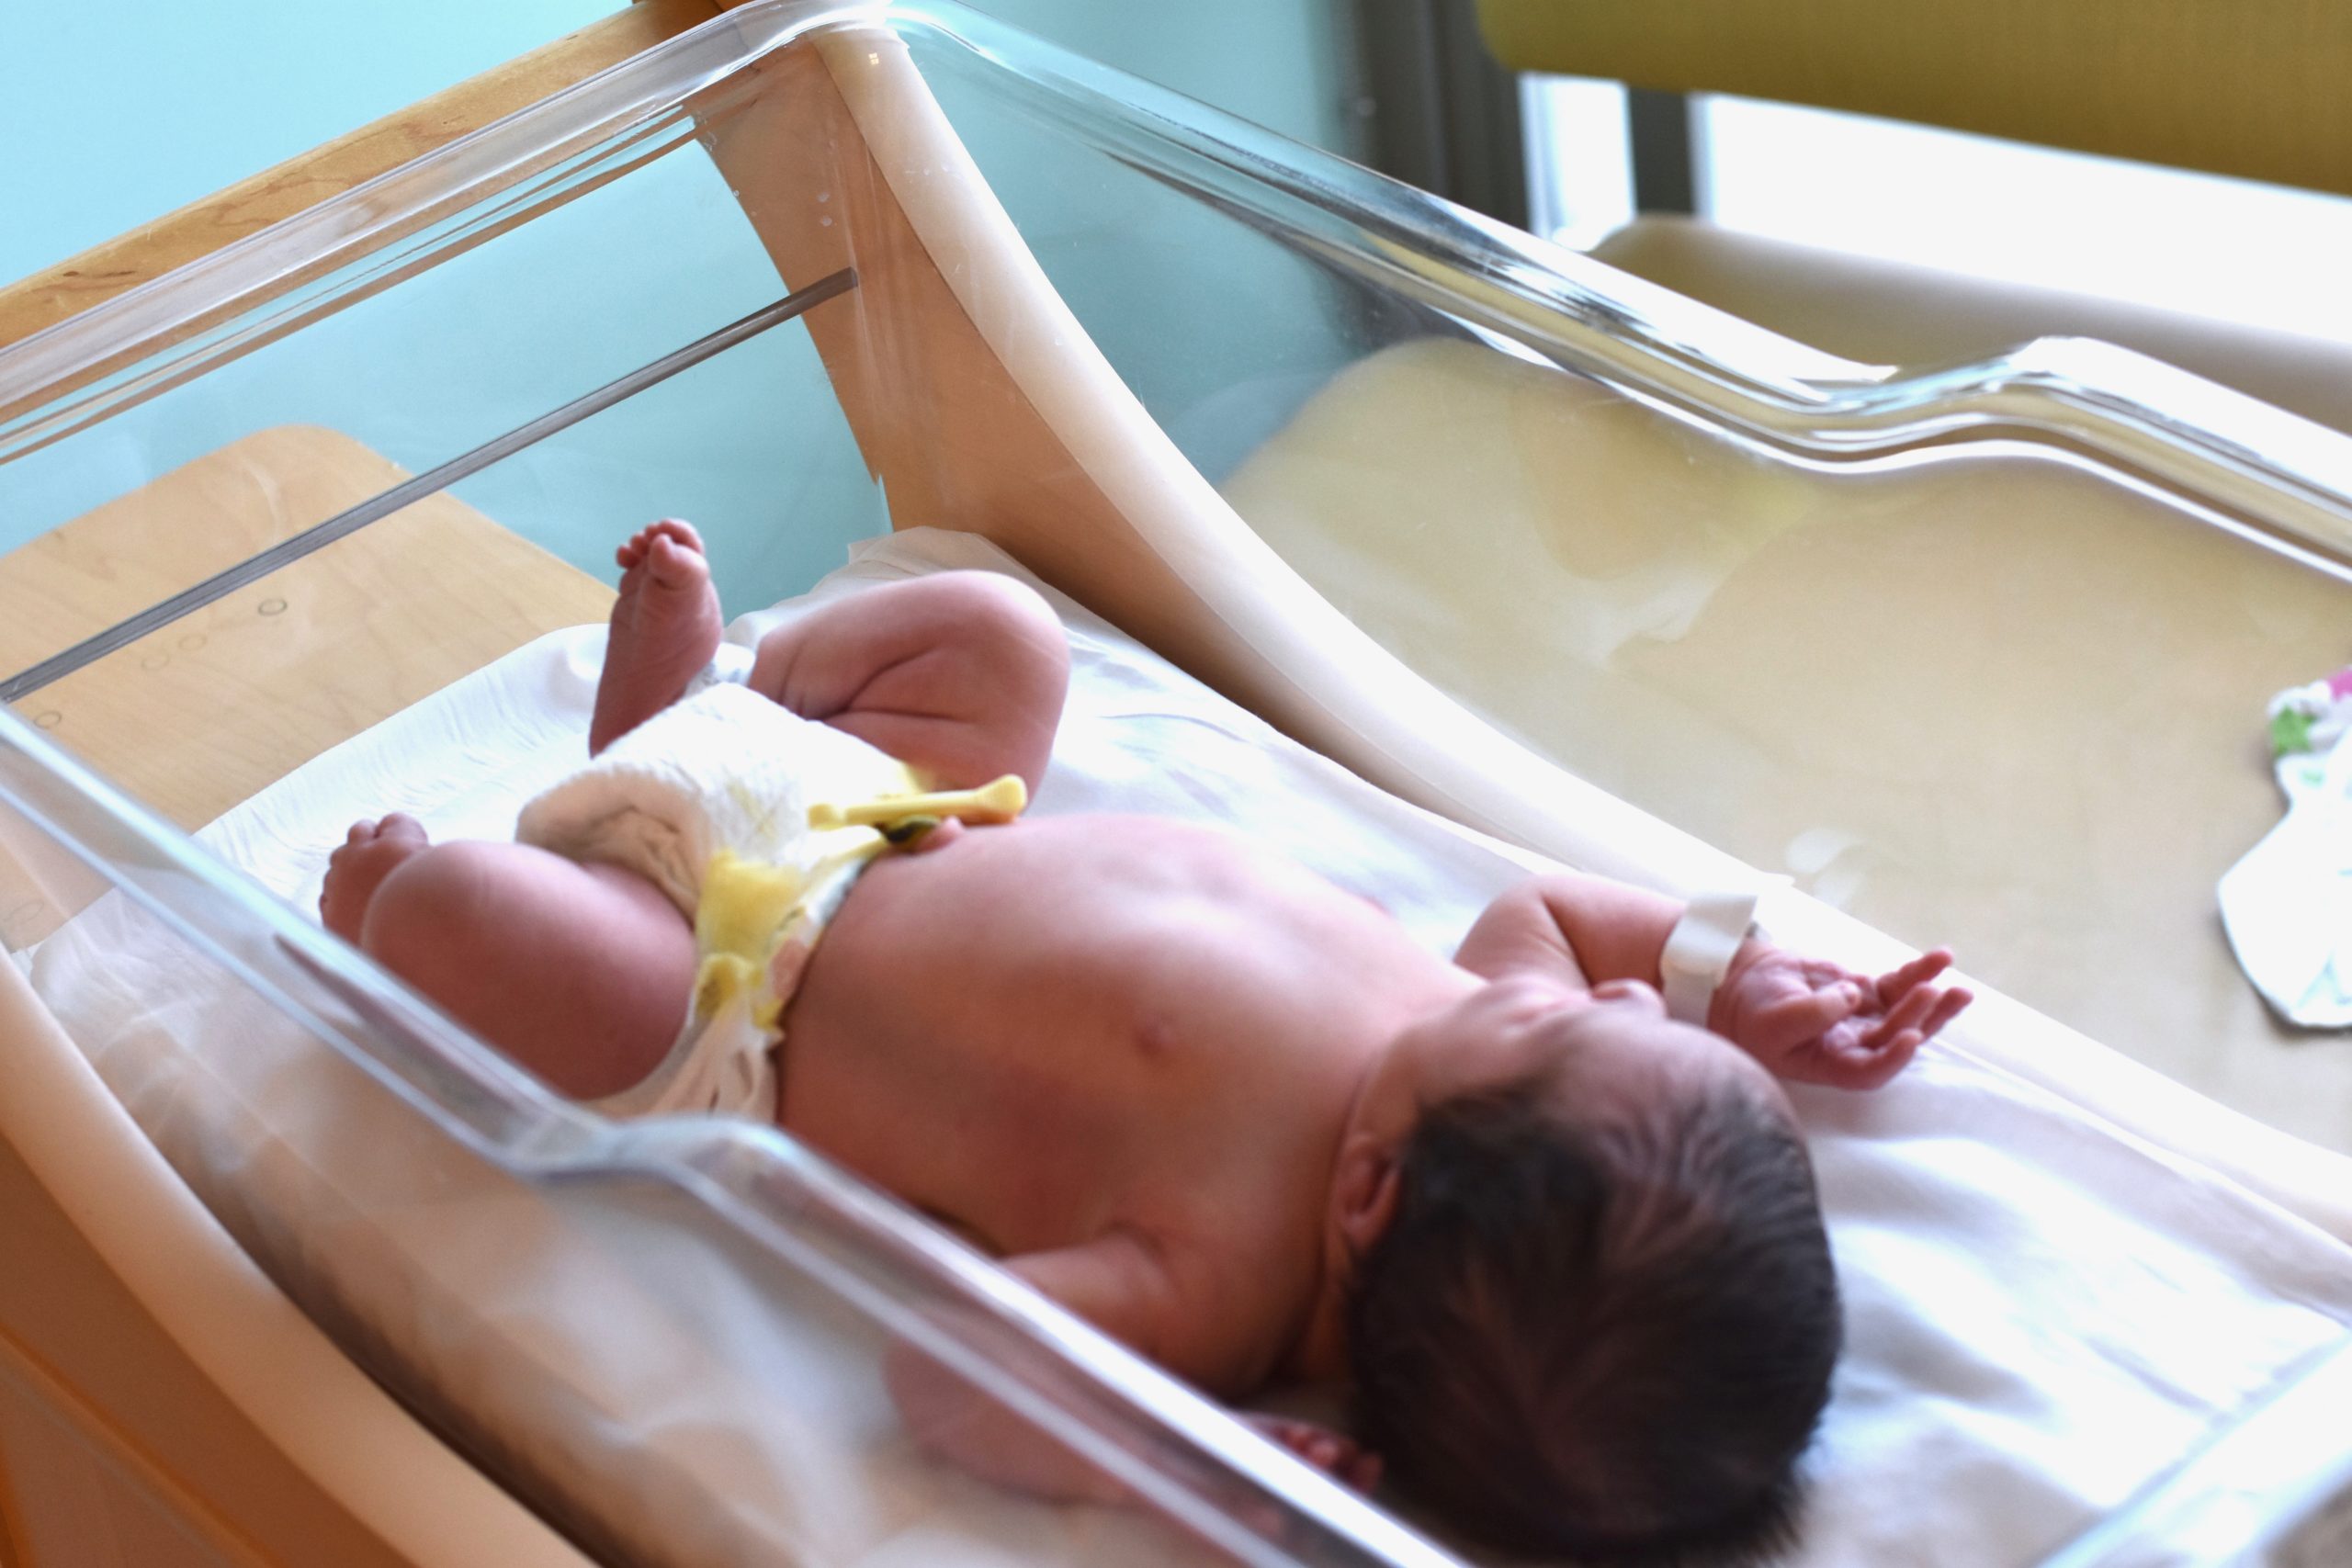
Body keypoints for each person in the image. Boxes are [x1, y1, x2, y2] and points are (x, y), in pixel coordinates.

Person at [322, 521, 1971, 1562]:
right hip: (910, 807)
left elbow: (948, 1373)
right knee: (996, 635)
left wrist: (1169, 1454)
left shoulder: (1218, 1283)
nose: (1590, 991)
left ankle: (408, 896)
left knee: (476, 918)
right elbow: (1556, 912)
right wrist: (1716, 979)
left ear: (1376, 1196)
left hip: (728, 994)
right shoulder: (1459, 1032)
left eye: (1584, 1021)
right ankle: (688, 723)